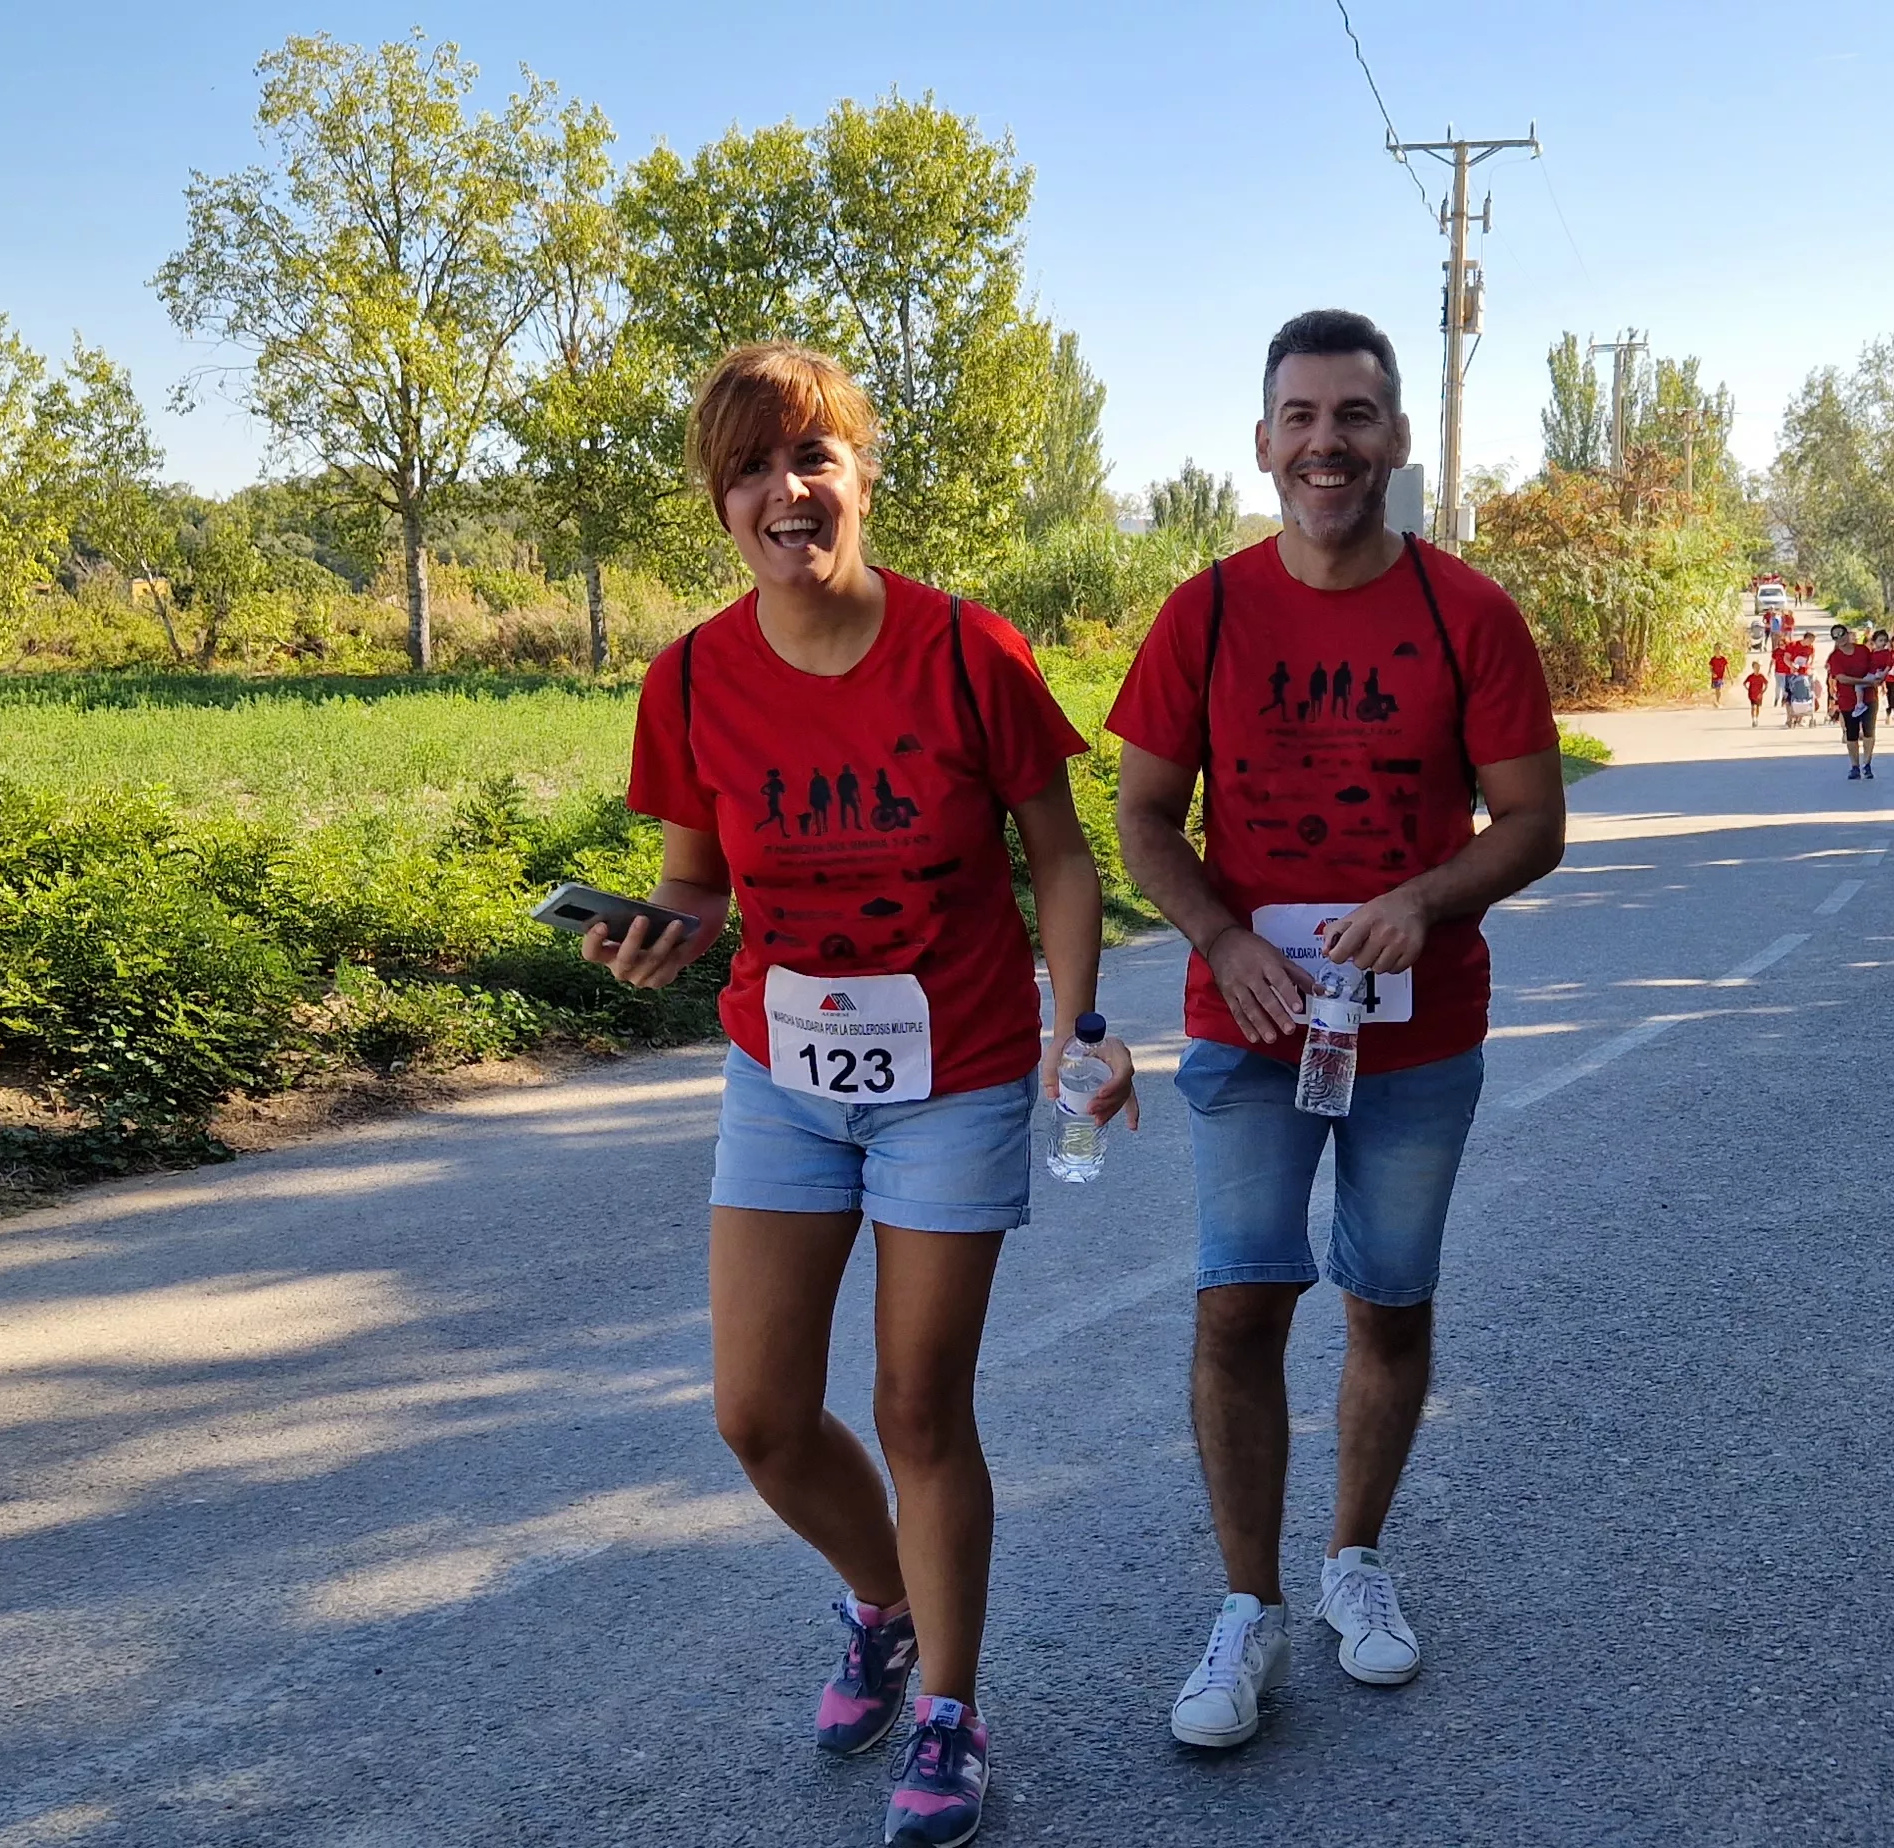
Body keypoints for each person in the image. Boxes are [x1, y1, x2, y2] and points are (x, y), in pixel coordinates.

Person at [594, 341, 1137, 1848]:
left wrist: (1076, 1022)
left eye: (813, 456)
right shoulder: (693, 677)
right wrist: (659, 942)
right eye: (752, 469)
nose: (787, 489)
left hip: (952, 1073)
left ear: (863, 473)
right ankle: (884, 1605)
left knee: (916, 1402)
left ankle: (952, 1717)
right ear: (722, 505)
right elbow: (695, 888)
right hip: (783, 1070)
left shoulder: (969, 653)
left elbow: (1066, 858)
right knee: (759, 1416)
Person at [1108, 309, 1567, 1752]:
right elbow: (1136, 819)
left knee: (1389, 1301)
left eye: (1355, 416)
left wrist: (1430, 898)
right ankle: (1245, 1607)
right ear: (1261, 443)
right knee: (1239, 1301)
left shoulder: (1467, 613)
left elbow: (1536, 822)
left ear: (1398, 440)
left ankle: (1352, 1562)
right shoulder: (1207, 613)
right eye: (1301, 417)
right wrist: (1224, 938)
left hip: (1418, 1035)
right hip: (1248, 1026)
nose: (1328, 444)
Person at [1826, 624, 1890, 779]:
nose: (1839, 638)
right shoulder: (1835, 657)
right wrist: (1862, 682)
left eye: (1841, 634)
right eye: (1835, 636)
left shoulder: (1862, 650)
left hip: (1869, 696)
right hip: (1848, 699)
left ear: (1847, 634)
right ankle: (1854, 765)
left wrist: (1880, 679)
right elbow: (1841, 678)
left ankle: (1867, 763)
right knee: (1852, 733)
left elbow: (1874, 666)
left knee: (1869, 731)